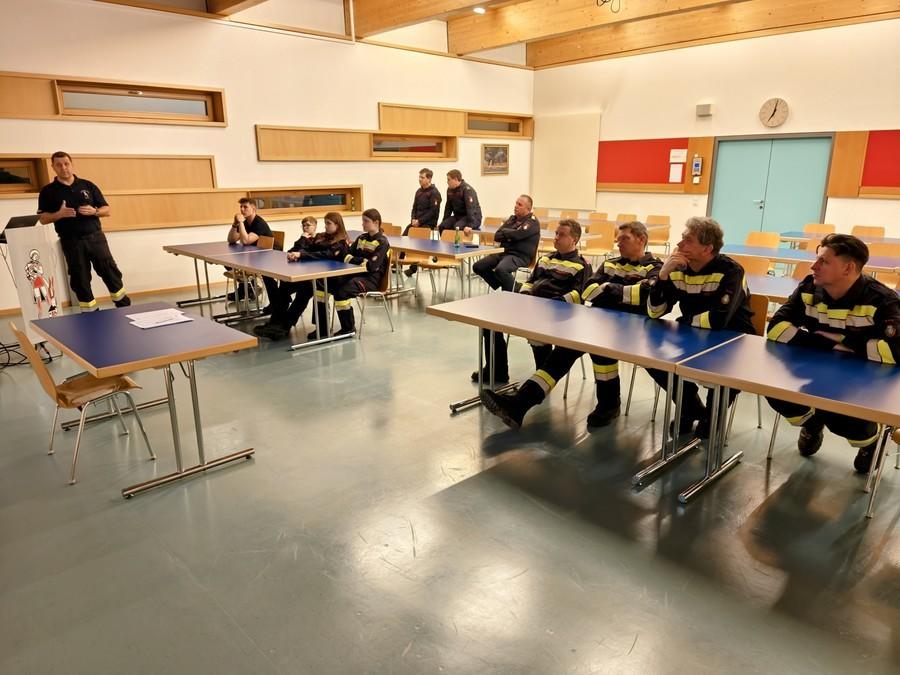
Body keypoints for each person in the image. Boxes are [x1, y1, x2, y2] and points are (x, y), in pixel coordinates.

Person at [481, 221, 662, 429]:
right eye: (618, 238)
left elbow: (647, 294)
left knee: (604, 353)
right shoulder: (610, 263)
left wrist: (608, 289)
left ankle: (610, 404)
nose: (618, 242)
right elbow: (589, 291)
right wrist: (621, 294)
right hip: (598, 324)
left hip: (632, 330)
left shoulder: (654, 267)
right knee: (560, 356)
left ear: (641, 239)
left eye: (624, 239)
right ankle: (518, 405)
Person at [766, 234, 900, 473]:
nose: (813, 266)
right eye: (817, 259)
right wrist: (829, 344)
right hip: (815, 369)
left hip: (865, 380)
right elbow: (775, 328)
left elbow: (896, 351)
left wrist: (847, 340)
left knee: (842, 420)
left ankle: (872, 441)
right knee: (774, 391)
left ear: (848, 268)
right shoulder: (809, 288)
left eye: (824, 261)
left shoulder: (882, 300)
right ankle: (813, 423)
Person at [646, 216, 754, 438]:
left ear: (707, 248)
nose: (679, 244)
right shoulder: (678, 268)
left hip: (733, 338)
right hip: (693, 335)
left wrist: (684, 322)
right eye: (682, 238)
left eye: (688, 240)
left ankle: (713, 415)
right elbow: (655, 311)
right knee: (652, 359)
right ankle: (690, 406)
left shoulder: (731, 271)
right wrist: (663, 275)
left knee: (725, 371)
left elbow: (719, 319)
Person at [472, 219, 590, 387]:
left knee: (538, 332)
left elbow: (579, 295)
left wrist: (551, 305)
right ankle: (497, 370)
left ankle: (540, 380)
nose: (556, 237)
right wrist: (525, 296)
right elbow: (529, 282)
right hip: (532, 307)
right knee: (489, 323)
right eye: (556, 233)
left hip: (557, 314)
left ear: (574, 239)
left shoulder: (582, 265)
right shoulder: (545, 259)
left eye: (562, 235)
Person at [37, 151, 131, 310]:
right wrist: (59, 214)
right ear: (53, 167)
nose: (63, 167)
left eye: (66, 163)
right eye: (59, 165)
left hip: (96, 238)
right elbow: (42, 218)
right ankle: (90, 314)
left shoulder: (88, 185)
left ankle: (124, 307)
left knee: (110, 272)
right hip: (71, 242)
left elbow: (107, 209)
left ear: (71, 164)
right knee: (80, 279)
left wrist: (95, 211)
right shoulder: (48, 191)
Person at [253, 213, 350, 341]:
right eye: (325, 223)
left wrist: (301, 255)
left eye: (329, 223)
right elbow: (306, 248)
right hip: (314, 274)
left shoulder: (341, 242)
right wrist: (299, 248)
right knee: (285, 286)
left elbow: (325, 255)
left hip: (330, 278)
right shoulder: (322, 237)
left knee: (305, 290)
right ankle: (276, 322)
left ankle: (284, 326)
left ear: (337, 225)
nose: (325, 226)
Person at [310, 208, 390, 338]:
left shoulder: (382, 242)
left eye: (366, 221)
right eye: (363, 221)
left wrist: (355, 260)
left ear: (376, 223)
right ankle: (322, 328)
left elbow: (371, 266)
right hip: (354, 274)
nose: (363, 224)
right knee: (321, 284)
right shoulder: (361, 238)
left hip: (370, 280)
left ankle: (348, 328)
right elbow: (345, 256)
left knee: (342, 291)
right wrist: (360, 260)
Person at [472, 194, 540, 294]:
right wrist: (512, 234)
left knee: (501, 270)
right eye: (516, 203)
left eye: (520, 204)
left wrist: (507, 233)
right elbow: (497, 236)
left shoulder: (532, 222)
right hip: (503, 252)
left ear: (528, 209)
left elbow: (518, 235)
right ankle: (509, 285)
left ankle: (513, 292)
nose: (516, 206)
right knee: (478, 266)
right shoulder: (512, 219)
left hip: (519, 256)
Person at [225, 197, 278, 306]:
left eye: (245, 207)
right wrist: (235, 224)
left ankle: (249, 289)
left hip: (267, 256)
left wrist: (241, 222)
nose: (242, 209)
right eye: (241, 207)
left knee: (240, 265)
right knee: (228, 263)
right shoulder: (245, 222)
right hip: (253, 255)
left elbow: (246, 241)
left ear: (253, 209)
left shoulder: (259, 223)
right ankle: (247, 288)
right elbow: (231, 239)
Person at [402, 168, 443, 276]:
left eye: (422, 177)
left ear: (429, 179)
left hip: (428, 223)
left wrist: (420, 221)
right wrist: (413, 219)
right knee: (404, 237)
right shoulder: (419, 191)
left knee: (418, 242)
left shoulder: (434, 193)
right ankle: (399, 263)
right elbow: (414, 208)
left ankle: (413, 268)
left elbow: (433, 212)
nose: (419, 179)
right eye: (419, 177)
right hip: (417, 222)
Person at [438, 169, 481, 235]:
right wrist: (444, 221)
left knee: (457, 227)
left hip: (473, 217)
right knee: (442, 226)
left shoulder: (467, 190)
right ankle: (446, 241)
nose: (447, 182)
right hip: (458, 216)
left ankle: (456, 242)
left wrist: (470, 225)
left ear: (455, 179)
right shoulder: (450, 190)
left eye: (449, 180)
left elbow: (471, 209)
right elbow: (448, 208)